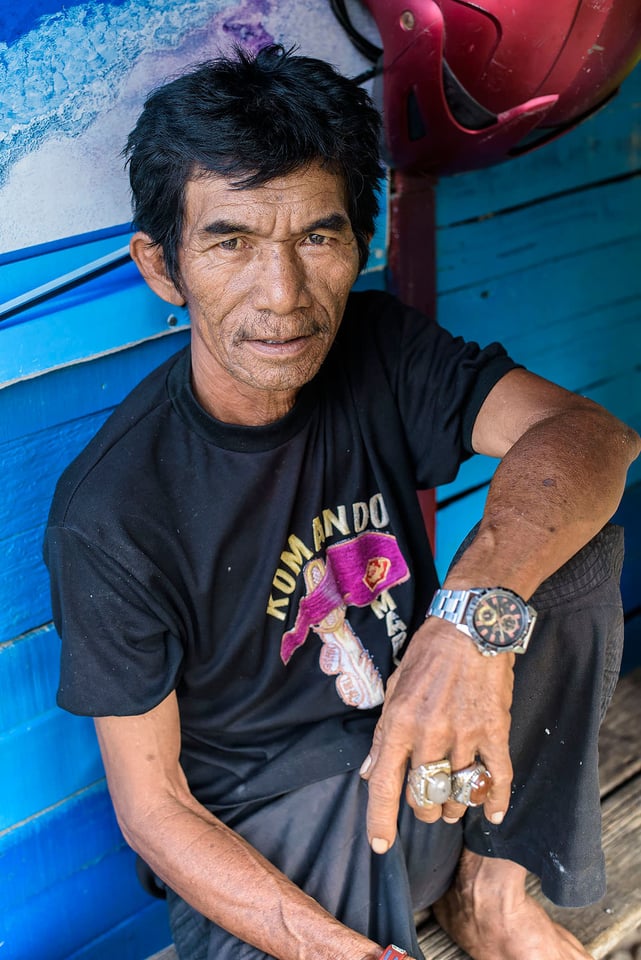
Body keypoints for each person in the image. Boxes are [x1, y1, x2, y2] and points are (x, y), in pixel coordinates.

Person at [44, 45, 640, 960]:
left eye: (315, 238)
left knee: (572, 547)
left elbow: (591, 440)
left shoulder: (379, 349)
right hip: (280, 850)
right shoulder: (113, 508)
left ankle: (491, 893)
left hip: (443, 760)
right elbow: (155, 810)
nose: (280, 297)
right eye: (230, 241)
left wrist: (464, 623)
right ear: (162, 268)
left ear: (358, 243)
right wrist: (325, 947)